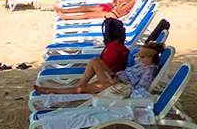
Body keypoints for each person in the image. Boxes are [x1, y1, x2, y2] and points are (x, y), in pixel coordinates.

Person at [34, 42, 163, 98]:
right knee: (95, 61)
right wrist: (115, 76)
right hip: (116, 79)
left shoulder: (148, 71)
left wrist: (117, 82)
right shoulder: (142, 64)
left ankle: (51, 91)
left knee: (83, 89)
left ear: (151, 58)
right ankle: (78, 87)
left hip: (120, 87)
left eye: (142, 57)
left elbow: (141, 89)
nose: (138, 58)